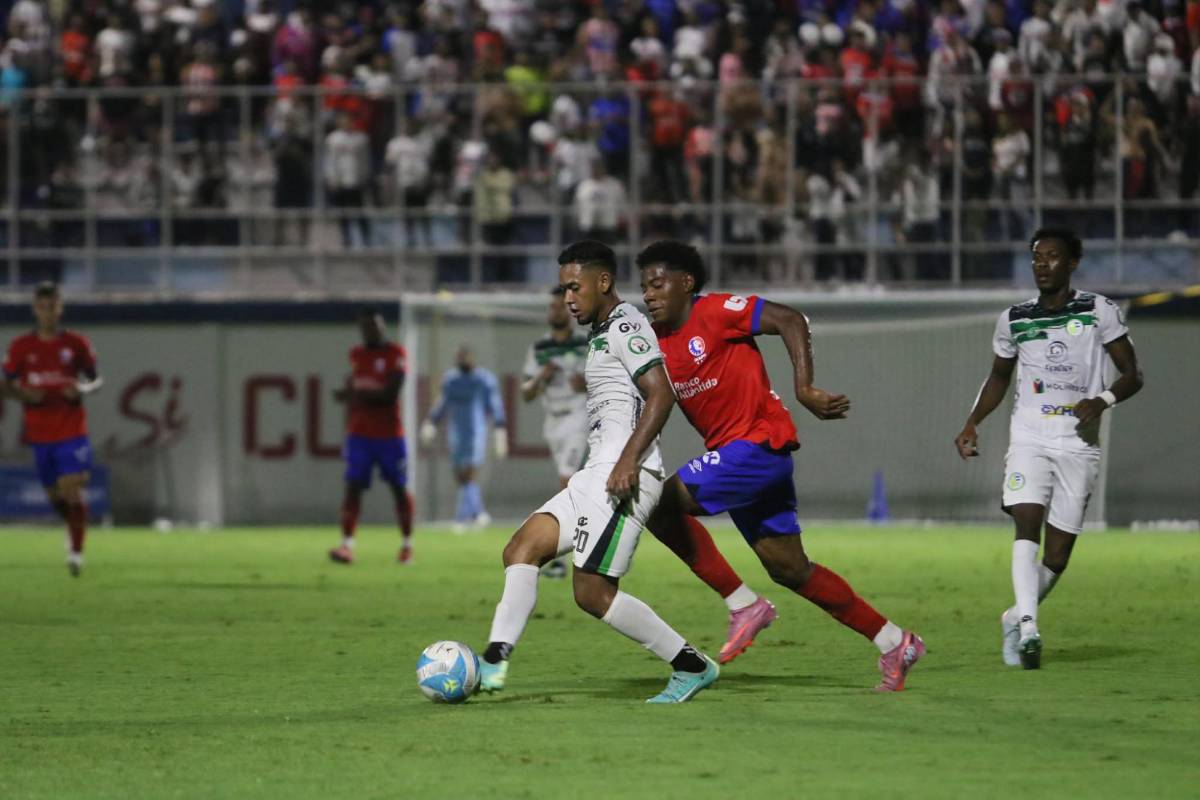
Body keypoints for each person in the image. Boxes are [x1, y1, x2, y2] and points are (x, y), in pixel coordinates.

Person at [637, 240, 925, 691]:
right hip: (741, 461)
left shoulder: (717, 311)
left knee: (657, 504)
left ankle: (743, 603)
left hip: (756, 445)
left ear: (686, 283)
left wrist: (804, 388)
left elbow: (790, 319)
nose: (649, 295)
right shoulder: (656, 342)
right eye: (644, 287)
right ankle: (894, 641)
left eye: (657, 284)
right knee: (790, 568)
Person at [478, 240, 719, 703]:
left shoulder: (626, 324)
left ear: (603, 281)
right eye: (564, 289)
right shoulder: (601, 331)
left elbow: (661, 392)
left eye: (575, 287)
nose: (568, 298)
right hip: (595, 474)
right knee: (521, 549)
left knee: (591, 591)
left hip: (626, 476)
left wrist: (628, 460)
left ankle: (691, 665)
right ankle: (494, 659)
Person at [954, 227, 1143, 669]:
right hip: (1030, 436)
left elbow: (1133, 375)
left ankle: (1013, 617)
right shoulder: (1014, 319)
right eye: (1036, 256)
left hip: (1078, 442)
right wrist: (972, 422)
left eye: (1052, 256)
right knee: (1026, 519)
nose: (1042, 264)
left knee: (1057, 557)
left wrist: (1102, 400)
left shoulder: (1098, 311)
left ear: (1072, 263)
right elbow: (999, 377)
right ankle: (1029, 629)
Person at [1, 283, 102, 576]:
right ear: (35, 309)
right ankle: (72, 526)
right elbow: (4, 385)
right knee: (55, 496)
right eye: (42, 307)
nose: (48, 313)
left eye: (53, 307)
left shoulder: (76, 343)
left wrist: (82, 388)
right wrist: (23, 395)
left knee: (72, 485)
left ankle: (76, 553)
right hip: (40, 435)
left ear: (60, 308)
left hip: (72, 430)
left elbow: (96, 379)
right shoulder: (21, 347)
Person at [328, 308, 414, 565]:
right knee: (353, 487)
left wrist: (355, 395)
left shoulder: (396, 353)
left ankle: (406, 545)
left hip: (389, 435)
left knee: (398, 489)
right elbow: (359, 389)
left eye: (375, 326)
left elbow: (390, 395)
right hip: (359, 434)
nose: (371, 331)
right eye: (366, 327)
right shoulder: (356, 355)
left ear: (382, 326)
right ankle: (346, 545)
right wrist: (349, 395)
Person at [521, 287, 589, 577]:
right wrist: (540, 377)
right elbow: (526, 393)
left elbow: (603, 379)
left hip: (579, 416)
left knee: (567, 481)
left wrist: (586, 382)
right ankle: (594, 542)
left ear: (570, 310)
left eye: (560, 306)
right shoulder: (539, 348)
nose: (555, 311)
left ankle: (560, 558)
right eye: (552, 307)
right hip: (553, 422)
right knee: (578, 489)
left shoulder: (585, 343)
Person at [420, 347, 507, 530]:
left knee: (469, 473)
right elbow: (442, 403)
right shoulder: (451, 380)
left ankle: (461, 517)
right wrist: (431, 422)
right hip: (456, 433)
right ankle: (478, 513)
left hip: (476, 432)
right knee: (461, 477)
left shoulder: (483, 380)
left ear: (473, 359)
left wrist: (500, 428)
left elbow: (495, 404)